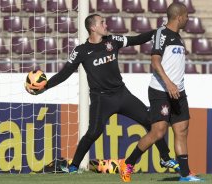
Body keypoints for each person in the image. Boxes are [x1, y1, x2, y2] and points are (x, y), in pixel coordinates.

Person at [26, 14, 180, 174]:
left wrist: (160, 31)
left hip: (122, 94)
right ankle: (73, 167)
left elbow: (138, 39)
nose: (106, 25)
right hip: (101, 99)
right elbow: (64, 74)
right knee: (93, 133)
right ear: (93, 28)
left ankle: (165, 158)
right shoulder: (81, 51)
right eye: (102, 22)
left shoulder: (113, 41)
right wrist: (45, 87)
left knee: (151, 122)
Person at [119, 3, 203, 182]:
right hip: (161, 91)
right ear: (179, 17)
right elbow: (155, 61)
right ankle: (128, 163)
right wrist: (169, 83)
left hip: (177, 91)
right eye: (186, 16)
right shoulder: (161, 34)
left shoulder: (178, 37)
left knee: (182, 130)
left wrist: (176, 86)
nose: (188, 19)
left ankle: (185, 175)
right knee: (158, 132)